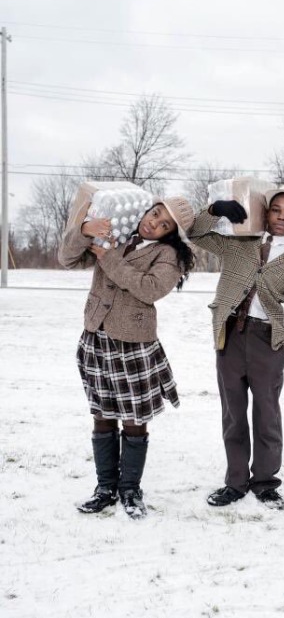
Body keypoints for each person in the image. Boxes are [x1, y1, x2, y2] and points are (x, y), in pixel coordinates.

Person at [58, 195, 195, 519]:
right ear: (148, 208)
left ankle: (130, 490)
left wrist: (109, 258)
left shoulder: (168, 255)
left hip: (133, 343)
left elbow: (148, 289)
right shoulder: (115, 233)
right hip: (96, 335)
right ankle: (105, 488)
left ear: (171, 234)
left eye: (165, 225)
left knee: (134, 420)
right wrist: (84, 229)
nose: (154, 223)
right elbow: (67, 258)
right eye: (156, 214)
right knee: (102, 415)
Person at [189, 182, 284, 509]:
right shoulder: (239, 243)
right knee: (233, 414)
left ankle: (265, 482)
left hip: (266, 343)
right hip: (229, 336)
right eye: (276, 210)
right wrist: (215, 211)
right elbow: (195, 234)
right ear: (266, 211)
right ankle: (235, 482)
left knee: (266, 415)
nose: (281, 217)